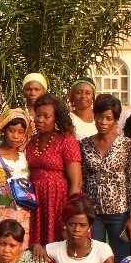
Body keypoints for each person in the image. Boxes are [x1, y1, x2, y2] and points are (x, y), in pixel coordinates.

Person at [79, 93, 131, 256]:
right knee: (93, 257)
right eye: (99, 117)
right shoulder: (85, 144)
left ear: (116, 120)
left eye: (108, 118)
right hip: (93, 212)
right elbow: (81, 179)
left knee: (121, 258)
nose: (103, 122)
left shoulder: (126, 144)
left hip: (119, 212)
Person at [25, 93, 83, 249]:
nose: (40, 120)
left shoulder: (66, 140)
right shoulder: (31, 141)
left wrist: (69, 214)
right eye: (38, 115)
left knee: (57, 247)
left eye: (46, 116)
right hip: (35, 203)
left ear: (56, 119)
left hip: (58, 203)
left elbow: (76, 182)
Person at [0, 109, 33, 238]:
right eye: (11, 130)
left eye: (21, 132)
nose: (16, 136)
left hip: (25, 219)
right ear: (3, 130)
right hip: (1, 220)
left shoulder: (25, 157)